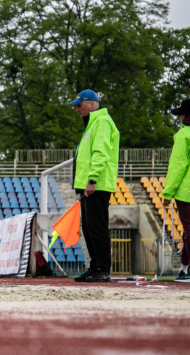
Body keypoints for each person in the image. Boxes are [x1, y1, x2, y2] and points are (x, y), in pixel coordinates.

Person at [69, 89, 120, 283]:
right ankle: (94, 266)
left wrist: (92, 180)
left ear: (92, 104)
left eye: (79, 105)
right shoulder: (93, 124)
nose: (77, 110)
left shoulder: (102, 122)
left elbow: (100, 153)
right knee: (89, 227)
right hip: (88, 186)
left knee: (97, 226)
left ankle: (102, 268)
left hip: (96, 185)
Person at [162, 99, 190, 283]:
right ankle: (184, 269)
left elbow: (178, 166)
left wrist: (167, 192)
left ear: (188, 116)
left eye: (180, 114)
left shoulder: (184, 134)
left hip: (186, 190)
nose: (178, 117)